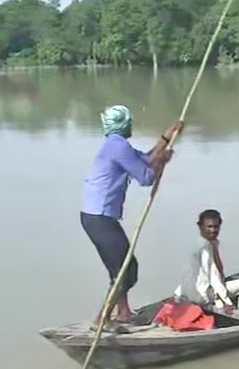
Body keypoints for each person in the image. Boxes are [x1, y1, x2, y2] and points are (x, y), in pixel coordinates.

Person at [80, 104, 184, 327]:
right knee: (124, 271)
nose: (132, 126)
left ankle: (124, 312)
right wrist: (162, 160)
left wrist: (168, 136)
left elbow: (146, 159)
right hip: (99, 217)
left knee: (125, 269)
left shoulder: (117, 145)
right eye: (130, 122)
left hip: (99, 216)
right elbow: (146, 177)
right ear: (124, 124)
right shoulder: (117, 147)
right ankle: (102, 320)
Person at [174, 209, 239, 313]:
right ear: (200, 227)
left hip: (183, 295)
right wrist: (226, 302)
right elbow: (213, 275)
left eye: (216, 227)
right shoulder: (205, 246)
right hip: (201, 296)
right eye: (209, 227)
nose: (213, 230)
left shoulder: (193, 244)